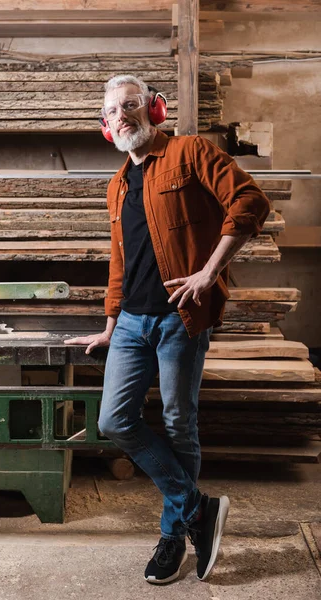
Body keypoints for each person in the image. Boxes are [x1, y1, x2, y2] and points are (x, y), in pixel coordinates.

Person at [65, 74, 270, 584]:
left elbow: (250, 202)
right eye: (114, 110)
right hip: (132, 322)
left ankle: (172, 536)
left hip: (182, 315)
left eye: (131, 104)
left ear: (153, 109)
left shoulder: (190, 152)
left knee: (180, 423)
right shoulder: (116, 185)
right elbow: (121, 261)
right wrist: (110, 325)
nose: (123, 115)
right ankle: (198, 510)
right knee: (114, 421)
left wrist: (210, 271)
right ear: (106, 127)